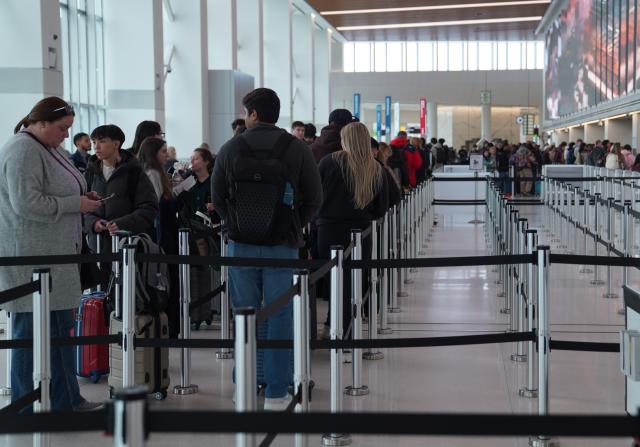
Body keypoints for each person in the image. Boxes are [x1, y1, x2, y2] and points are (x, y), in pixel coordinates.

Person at [212, 88, 322, 410]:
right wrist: (292, 225)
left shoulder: (232, 147)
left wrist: (236, 223)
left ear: (254, 114)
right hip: (282, 246)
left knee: (243, 314)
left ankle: (243, 386)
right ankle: (276, 391)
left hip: (241, 245)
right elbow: (314, 199)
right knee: (280, 314)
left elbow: (218, 198)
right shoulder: (297, 148)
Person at [0, 96, 103, 412]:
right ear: (41, 123)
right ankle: (22, 405)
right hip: (33, 258)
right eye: (62, 128)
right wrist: (77, 205)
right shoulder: (22, 149)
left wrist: (82, 196)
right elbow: (26, 203)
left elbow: (57, 190)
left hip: (54, 257)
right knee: (27, 335)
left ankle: (65, 399)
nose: (66, 135)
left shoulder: (45, 147)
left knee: (59, 332)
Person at [316, 122, 389, 335]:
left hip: (328, 229)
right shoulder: (375, 168)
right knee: (356, 281)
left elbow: (315, 196)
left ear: (344, 139)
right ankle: (350, 328)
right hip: (361, 232)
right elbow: (381, 208)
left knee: (334, 281)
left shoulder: (328, 162)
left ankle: (333, 325)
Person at [84, 124, 159, 252]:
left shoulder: (134, 172)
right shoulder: (90, 172)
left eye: (102, 141)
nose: (96, 146)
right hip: (96, 247)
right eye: (94, 142)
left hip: (127, 246)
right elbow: (80, 207)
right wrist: (93, 223)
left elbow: (149, 208)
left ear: (116, 144)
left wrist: (122, 224)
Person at [138, 137, 181, 336]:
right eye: (163, 151)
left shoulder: (156, 173)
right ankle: (169, 327)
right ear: (154, 153)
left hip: (164, 233)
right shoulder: (153, 174)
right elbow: (153, 208)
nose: (167, 155)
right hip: (162, 236)